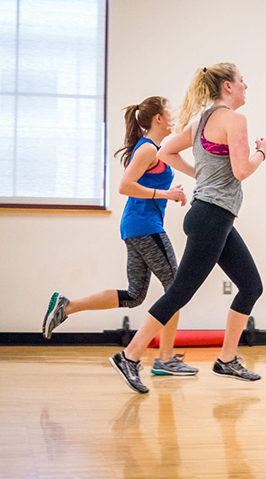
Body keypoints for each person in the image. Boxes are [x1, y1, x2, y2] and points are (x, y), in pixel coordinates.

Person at [108, 63, 266, 394]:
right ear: (227, 86)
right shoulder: (234, 120)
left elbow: (167, 151)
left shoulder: (200, 121)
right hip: (212, 217)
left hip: (212, 216)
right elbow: (242, 170)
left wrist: (203, 176)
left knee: (251, 286)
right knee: (180, 291)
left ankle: (226, 359)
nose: (246, 86)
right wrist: (262, 152)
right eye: (241, 81)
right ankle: (130, 356)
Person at [42, 96, 198, 378]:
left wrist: (171, 192)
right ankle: (165, 359)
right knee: (176, 289)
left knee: (134, 295)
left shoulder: (155, 149)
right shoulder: (148, 149)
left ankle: (67, 306)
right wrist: (166, 194)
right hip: (146, 227)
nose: (173, 114)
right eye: (169, 110)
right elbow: (125, 185)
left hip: (136, 228)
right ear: (158, 118)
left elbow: (144, 183)